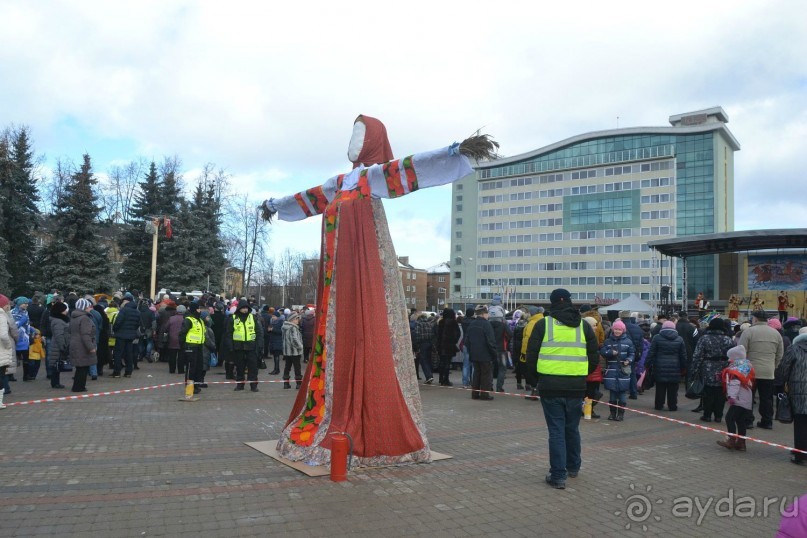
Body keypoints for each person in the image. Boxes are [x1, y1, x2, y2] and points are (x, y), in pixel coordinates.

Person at [525, 289, 598, 489]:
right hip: (575, 386)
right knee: (572, 428)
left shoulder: (543, 324)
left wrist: (534, 381)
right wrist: (581, 374)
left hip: (550, 386)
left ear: (552, 303)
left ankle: (558, 475)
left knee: (556, 430)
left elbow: (531, 356)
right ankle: (573, 466)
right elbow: (594, 358)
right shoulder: (583, 326)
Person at [739, 310, 784, 430]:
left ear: (755, 319)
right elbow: (780, 354)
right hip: (768, 371)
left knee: (748, 397)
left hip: (750, 371)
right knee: (766, 398)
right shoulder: (776, 334)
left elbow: (741, 351)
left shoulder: (749, 331)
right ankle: (767, 421)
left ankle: (748, 421)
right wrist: (774, 366)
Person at [690, 318, 735, 422]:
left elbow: (697, 356)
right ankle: (718, 415)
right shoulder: (728, 339)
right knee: (721, 392)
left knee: (708, 392)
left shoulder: (704, 338)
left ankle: (707, 415)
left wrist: (694, 370)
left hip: (707, 367)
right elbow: (732, 356)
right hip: (724, 368)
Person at [777, 330, 807, 465]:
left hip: (798, 391)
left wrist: (781, 383)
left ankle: (800, 454)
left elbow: (784, 368)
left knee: (800, 424)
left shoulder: (794, 349)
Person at [717, 345, 755, 451]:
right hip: (746, 398)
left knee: (729, 418)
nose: (729, 360)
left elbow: (734, 384)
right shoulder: (746, 366)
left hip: (738, 398)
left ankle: (731, 440)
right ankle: (741, 443)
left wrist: (731, 397)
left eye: (730, 357)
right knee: (740, 420)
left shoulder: (735, 370)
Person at [645, 320, 687, 412]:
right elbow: (683, 355)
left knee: (660, 387)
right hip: (675, 366)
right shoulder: (679, 339)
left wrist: (647, 364)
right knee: (673, 388)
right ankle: (672, 406)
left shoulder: (657, 338)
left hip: (659, 366)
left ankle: (659, 405)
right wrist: (684, 367)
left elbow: (651, 352)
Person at [224, 298, 264, 392]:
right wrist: (230, 346)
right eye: (243, 308)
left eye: (246, 308)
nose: (245, 310)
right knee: (239, 367)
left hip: (251, 346)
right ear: (239, 309)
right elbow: (228, 334)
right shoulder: (233, 319)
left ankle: (253, 385)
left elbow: (259, 332)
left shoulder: (253, 318)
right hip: (238, 347)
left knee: (253, 367)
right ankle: (240, 385)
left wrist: (259, 345)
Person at [600, 320, 635, 420]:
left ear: (623, 330)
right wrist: (610, 352)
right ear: (612, 329)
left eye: (619, 329)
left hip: (623, 371)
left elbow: (632, 354)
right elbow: (603, 352)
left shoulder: (628, 342)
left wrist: (628, 360)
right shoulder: (608, 341)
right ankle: (612, 413)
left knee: (622, 393)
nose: (617, 331)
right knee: (612, 394)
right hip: (611, 370)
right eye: (615, 329)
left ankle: (620, 414)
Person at [466, 305, 497, 400]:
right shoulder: (487, 324)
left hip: (474, 354)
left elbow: (467, 341)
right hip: (485, 354)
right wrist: (494, 353)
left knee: (476, 374)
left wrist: (471, 351)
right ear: (483, 314)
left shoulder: (472, 324)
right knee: (485, 375)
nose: (488, 315)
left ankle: (474, 394)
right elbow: (490, 341)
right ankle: (484, 395)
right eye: (487, 313)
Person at [69, 298, 97, 393]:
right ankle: (79, 387)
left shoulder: (74, 317)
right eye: (89, 306)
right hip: (82, 345)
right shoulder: (84, 318)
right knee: (83, 367)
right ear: (84, 307)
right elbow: (85, 334)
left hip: (75, 344)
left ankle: (77, 386)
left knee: (79, 367)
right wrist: (91, 347)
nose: (91, 308)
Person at [178, 303, 206, 395]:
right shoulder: (188, 320)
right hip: (190, 347)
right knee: (191, 368)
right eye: (198, 309)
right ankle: (190, 387)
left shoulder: (200, 320)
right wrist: (183, 346)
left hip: (199, 347)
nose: (200, 310)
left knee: (198, 367)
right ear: (195, 310)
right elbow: (182, 333)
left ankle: (196, 386)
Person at [112, 293, 140, 378]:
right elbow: (137, 324)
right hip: (131, 335)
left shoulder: (124, 310)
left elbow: (118, 322)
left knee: (118, 353)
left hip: (121, 335)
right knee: (129, 353)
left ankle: (117, 372)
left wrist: (115, 329)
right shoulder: (137, 311)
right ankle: (128, 372)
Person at [436, 308, 462, 387]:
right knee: (447, 362)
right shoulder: (454, 322)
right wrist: (453, 341)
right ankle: (446, 379)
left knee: (441, 362)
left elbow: (437, 334)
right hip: (449, 345)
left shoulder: (441, 322)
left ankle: (441, 378)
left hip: (441, 345)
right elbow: (458, 333)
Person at [48, 302, 70, 389]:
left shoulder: (59, 320)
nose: (66, 311)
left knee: (56, 364)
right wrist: (63, 346)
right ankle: (55, 383)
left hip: (57, 344)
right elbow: (59, 335)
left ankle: (55, 382)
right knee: (56, 364)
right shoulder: (58, 321)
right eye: (64, 309)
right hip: (58, 346)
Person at [281, 312, 304, 389]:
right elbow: (294, 339)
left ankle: (286, 383)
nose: (298, 320)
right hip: (295, 351)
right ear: (292, 320)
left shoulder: (285, 327)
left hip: (287, 351)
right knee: (297, 367)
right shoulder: (293, 328)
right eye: (296, 319)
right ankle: (298, 384)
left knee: (287, 367)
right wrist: (300, 347)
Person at [413, 313, 437, 384]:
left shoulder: (418, 324)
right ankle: (430, 375)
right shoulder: (430, 324)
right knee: (429, 360)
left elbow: (416, 335)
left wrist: (416, 346)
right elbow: (433, 335)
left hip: (422, 344)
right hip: (430, 343)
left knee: (423, 361)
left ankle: (428, 376)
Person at [0, 294, 14, 408]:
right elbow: (4, 335)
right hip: (1, 351)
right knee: (1, 376)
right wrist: (8, 345)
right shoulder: (1, 316)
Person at [267, 310, 284, 376]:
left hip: (278, 341)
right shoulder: (272, 322)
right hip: (273, 341)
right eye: (272, 316)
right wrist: (269, 330)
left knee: (276, 356)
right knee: (275, 356)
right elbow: (270, 330)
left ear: (277, 317)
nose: (272, 317)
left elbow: (281, 332)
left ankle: (276, 370)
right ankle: (276, 369)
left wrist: (273, 330)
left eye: (274, 316)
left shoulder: (281, 323)